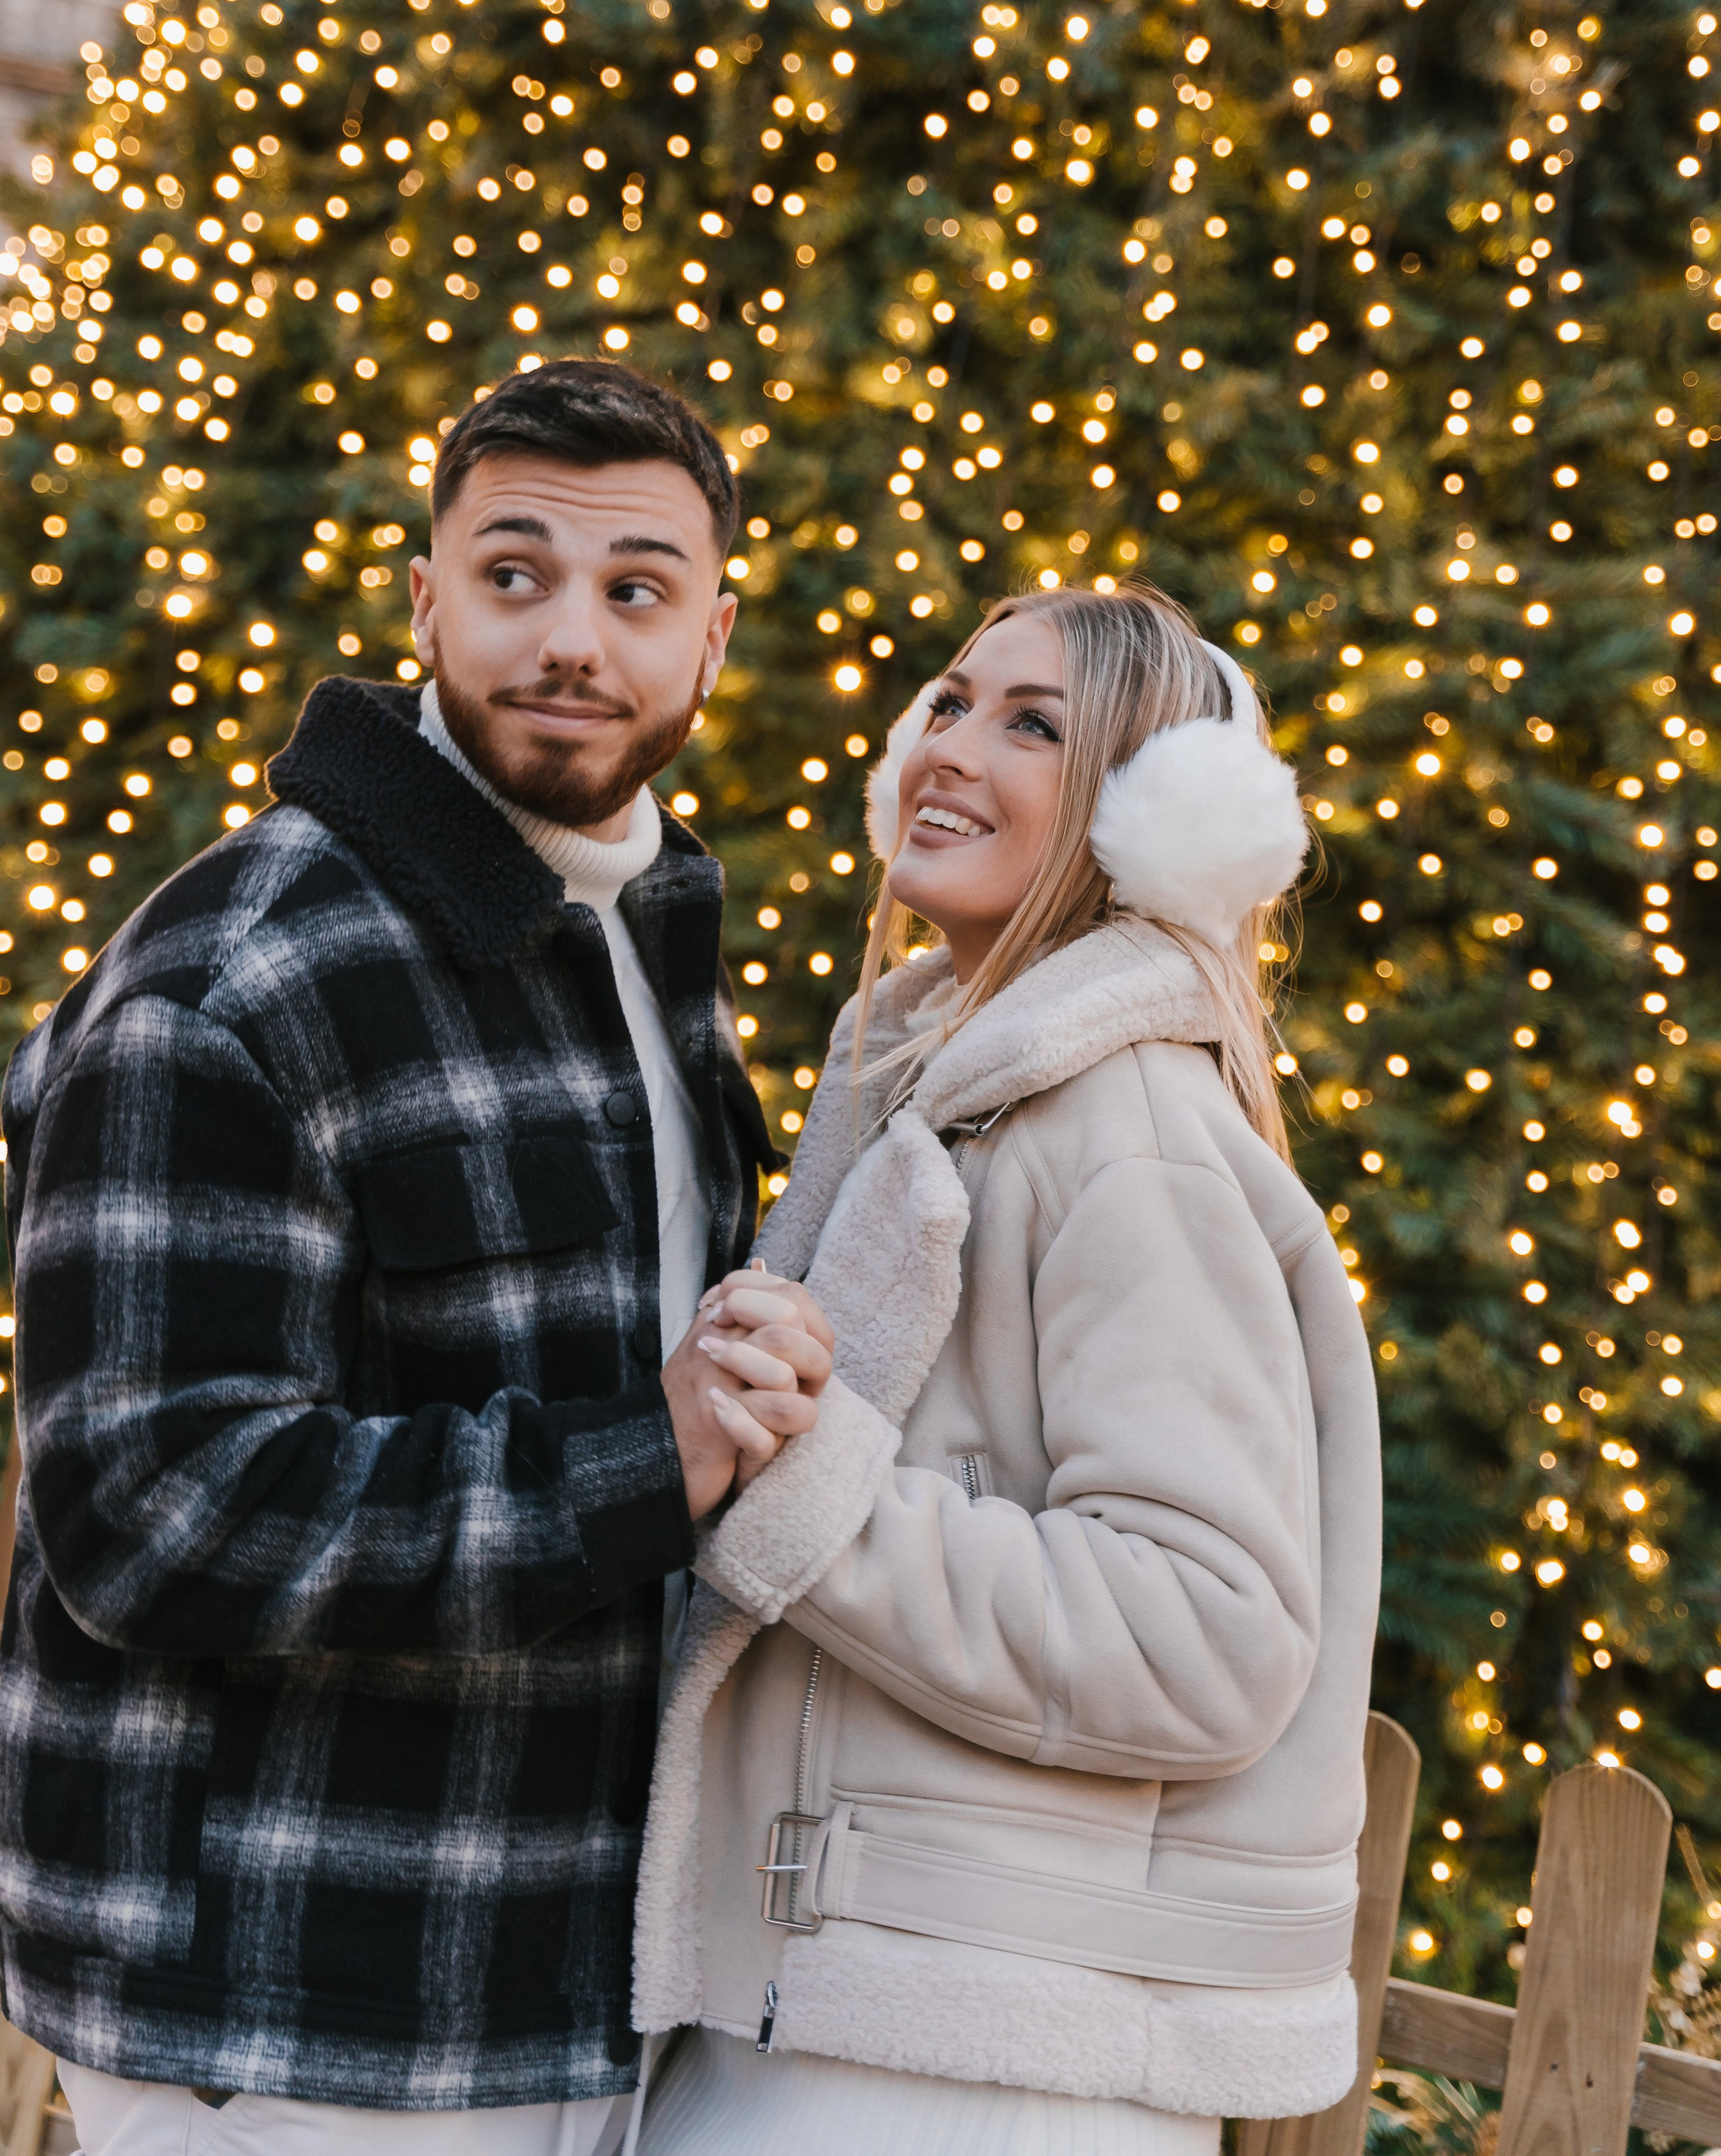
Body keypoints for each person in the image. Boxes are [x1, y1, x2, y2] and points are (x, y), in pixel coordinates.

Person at [0, 361, 832, 2153]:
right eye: (513, 574)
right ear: (424, 598)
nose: (570, 643)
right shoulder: (237, 978)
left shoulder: (647, 947)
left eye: (636, 591)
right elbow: (148, 1508)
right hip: (284, 2013)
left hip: (554, 1983)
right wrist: (650, 1456)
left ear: (711, 636)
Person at [628, 583, 1382, 2155]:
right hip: (848, 2021)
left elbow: (1207, 1632)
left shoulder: (1127, 1136)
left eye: (1032, 725)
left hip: (974, 2070)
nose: (950, 749)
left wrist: (810, 1482)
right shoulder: (932, 1095)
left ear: (1144, 820)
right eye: (951, 704)